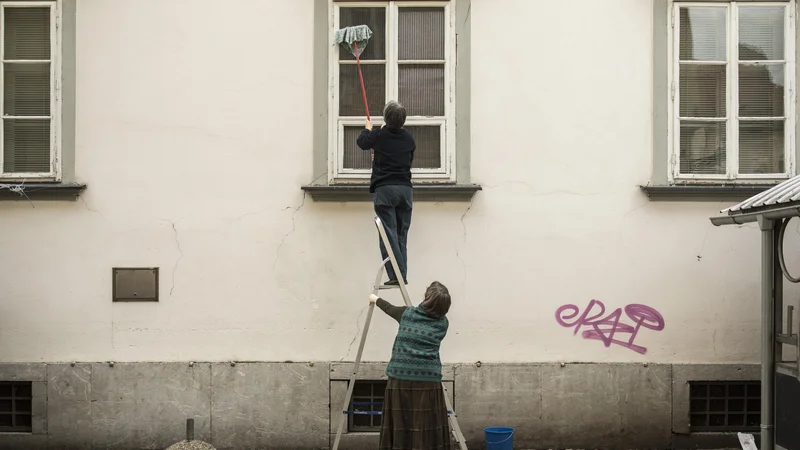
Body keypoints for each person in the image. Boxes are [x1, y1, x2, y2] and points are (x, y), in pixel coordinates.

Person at [368, 281, 453, 450]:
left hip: (400, 379)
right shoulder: (443, 324)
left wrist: (374, 298)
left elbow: (388, 307)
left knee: (401, 422)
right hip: (429, 381)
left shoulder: (406, 314)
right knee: (424, 424)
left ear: (427, 298)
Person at [357, 100, 415, 286]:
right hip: (405, 191)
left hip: (385, 190)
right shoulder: (409, 139)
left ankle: (396, 276)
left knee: (387, 234)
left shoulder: (380, 135)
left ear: (385, 118)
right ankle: (402, 274)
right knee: (401, 234)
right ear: (403, 121)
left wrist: (367, 129)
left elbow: (362, 142)